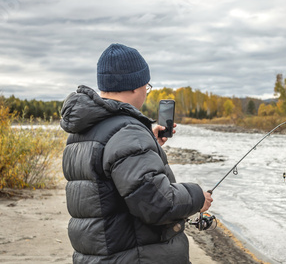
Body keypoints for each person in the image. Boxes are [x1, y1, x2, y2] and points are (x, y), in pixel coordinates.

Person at [60, 43, 213, 263]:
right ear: (133, 86)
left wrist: (148, 144)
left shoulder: (82, 132)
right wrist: (198, 196)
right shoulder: (127, 132)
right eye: (146, 86)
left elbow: (111, 184)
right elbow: (157, 204)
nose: (145, 92)